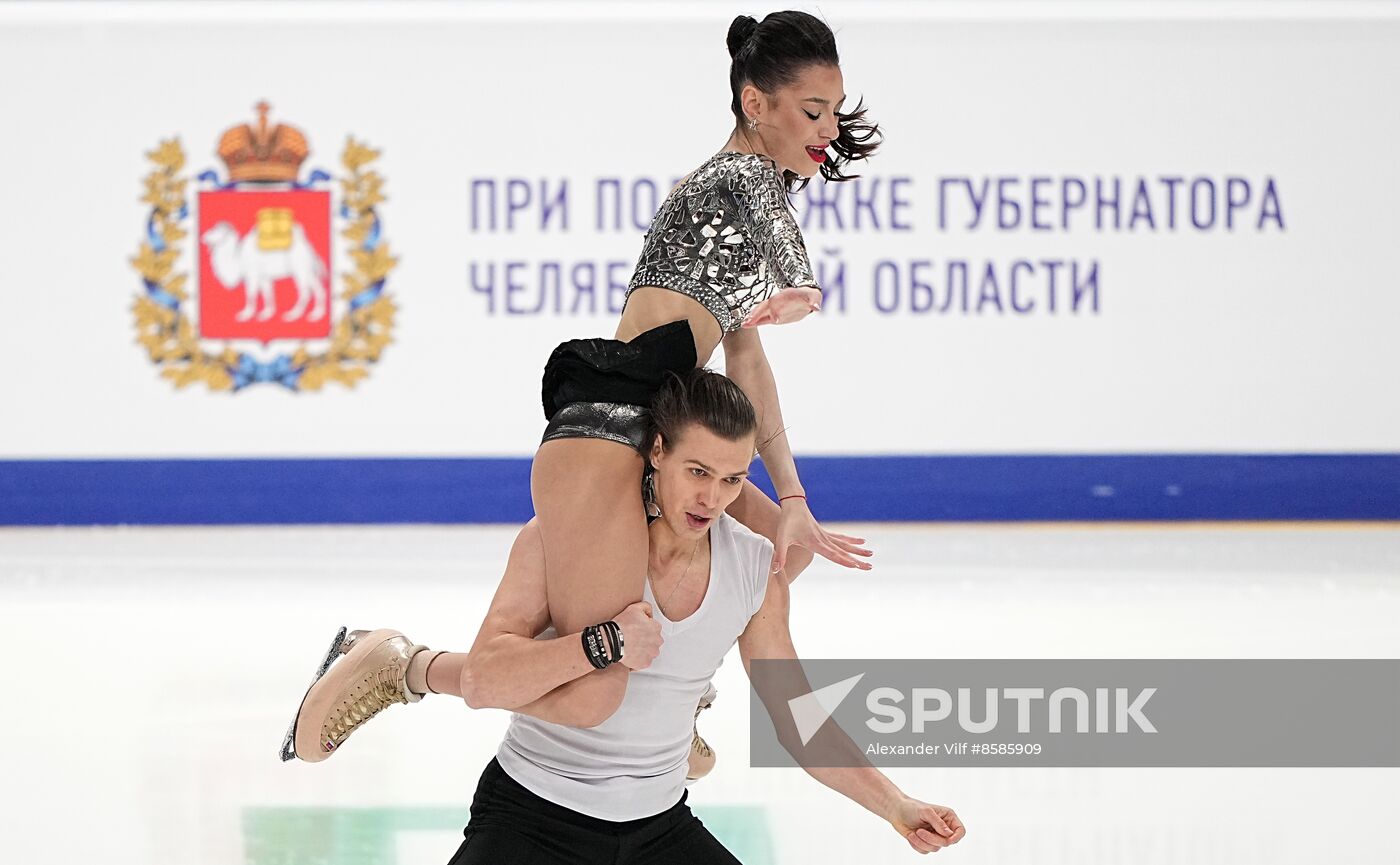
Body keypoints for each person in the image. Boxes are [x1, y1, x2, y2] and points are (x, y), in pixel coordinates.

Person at [282, 10, 882, 766]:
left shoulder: (737, 204)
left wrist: (792, 499)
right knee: (594, 692)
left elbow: (748, 365)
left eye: (833, 110)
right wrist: (800, 282)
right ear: (755, 105)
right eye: (812, 111)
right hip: (610, 428)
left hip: (654, 428)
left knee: (774, 556)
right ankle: (399, 663)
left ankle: (683, 694)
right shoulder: (739, 177)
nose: (827, 128)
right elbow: (775, 223)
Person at [373, 370, 967, 862]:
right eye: (698, 472)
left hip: (658, 828)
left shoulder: (754, 569)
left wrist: (896, 804)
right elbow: (485, 677)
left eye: (733, 479)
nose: (712, 499)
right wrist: (600, 644)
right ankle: (400, 666)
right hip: (532, 817)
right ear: (657, 452)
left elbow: (798, 719)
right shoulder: (566, 540)